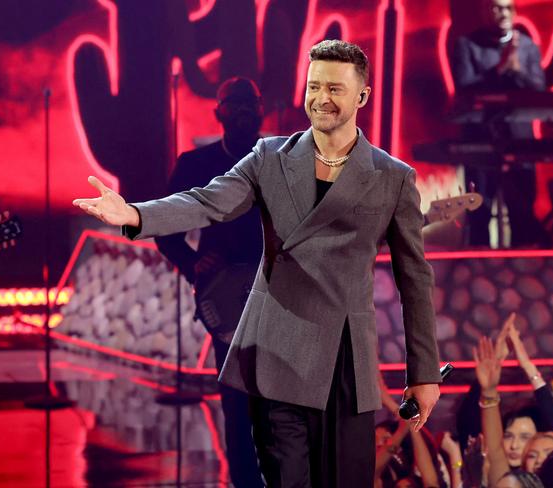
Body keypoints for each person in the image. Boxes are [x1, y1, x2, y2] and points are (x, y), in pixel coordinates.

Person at [74, 39, 442, 487]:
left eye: (336, 89)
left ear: (362, 96)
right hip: (277, 350)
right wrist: (136, 214)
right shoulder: (270, 158)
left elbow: (413, 279)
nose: (321, 99)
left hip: (346, 360)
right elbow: (207, 202)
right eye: (314, 86)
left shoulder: (392, 177)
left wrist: (423, 373)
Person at [154, 77, 264, 488]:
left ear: (261, 110)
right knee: (238, 407)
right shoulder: (195, 165)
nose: (241, 111)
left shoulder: (281, 159)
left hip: (278, 294)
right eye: (232, 104)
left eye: (248, 104)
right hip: (226, 299)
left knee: (279, 406)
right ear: (219, 113)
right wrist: (196, 263)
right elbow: (166, 231)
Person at [451, 0, 549, 248]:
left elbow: (539, 89)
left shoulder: (526, 47)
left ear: (514, 12)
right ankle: (477, 274)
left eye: (507, 8)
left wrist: (516, 70)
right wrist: (499, 68)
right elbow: (465, 87)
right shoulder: (468, 45)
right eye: (496, 7)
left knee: (522, 212)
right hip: (480, 142)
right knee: (479, 210)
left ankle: (522, 275)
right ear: (485, 11)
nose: (502, 13)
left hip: (520, 142)